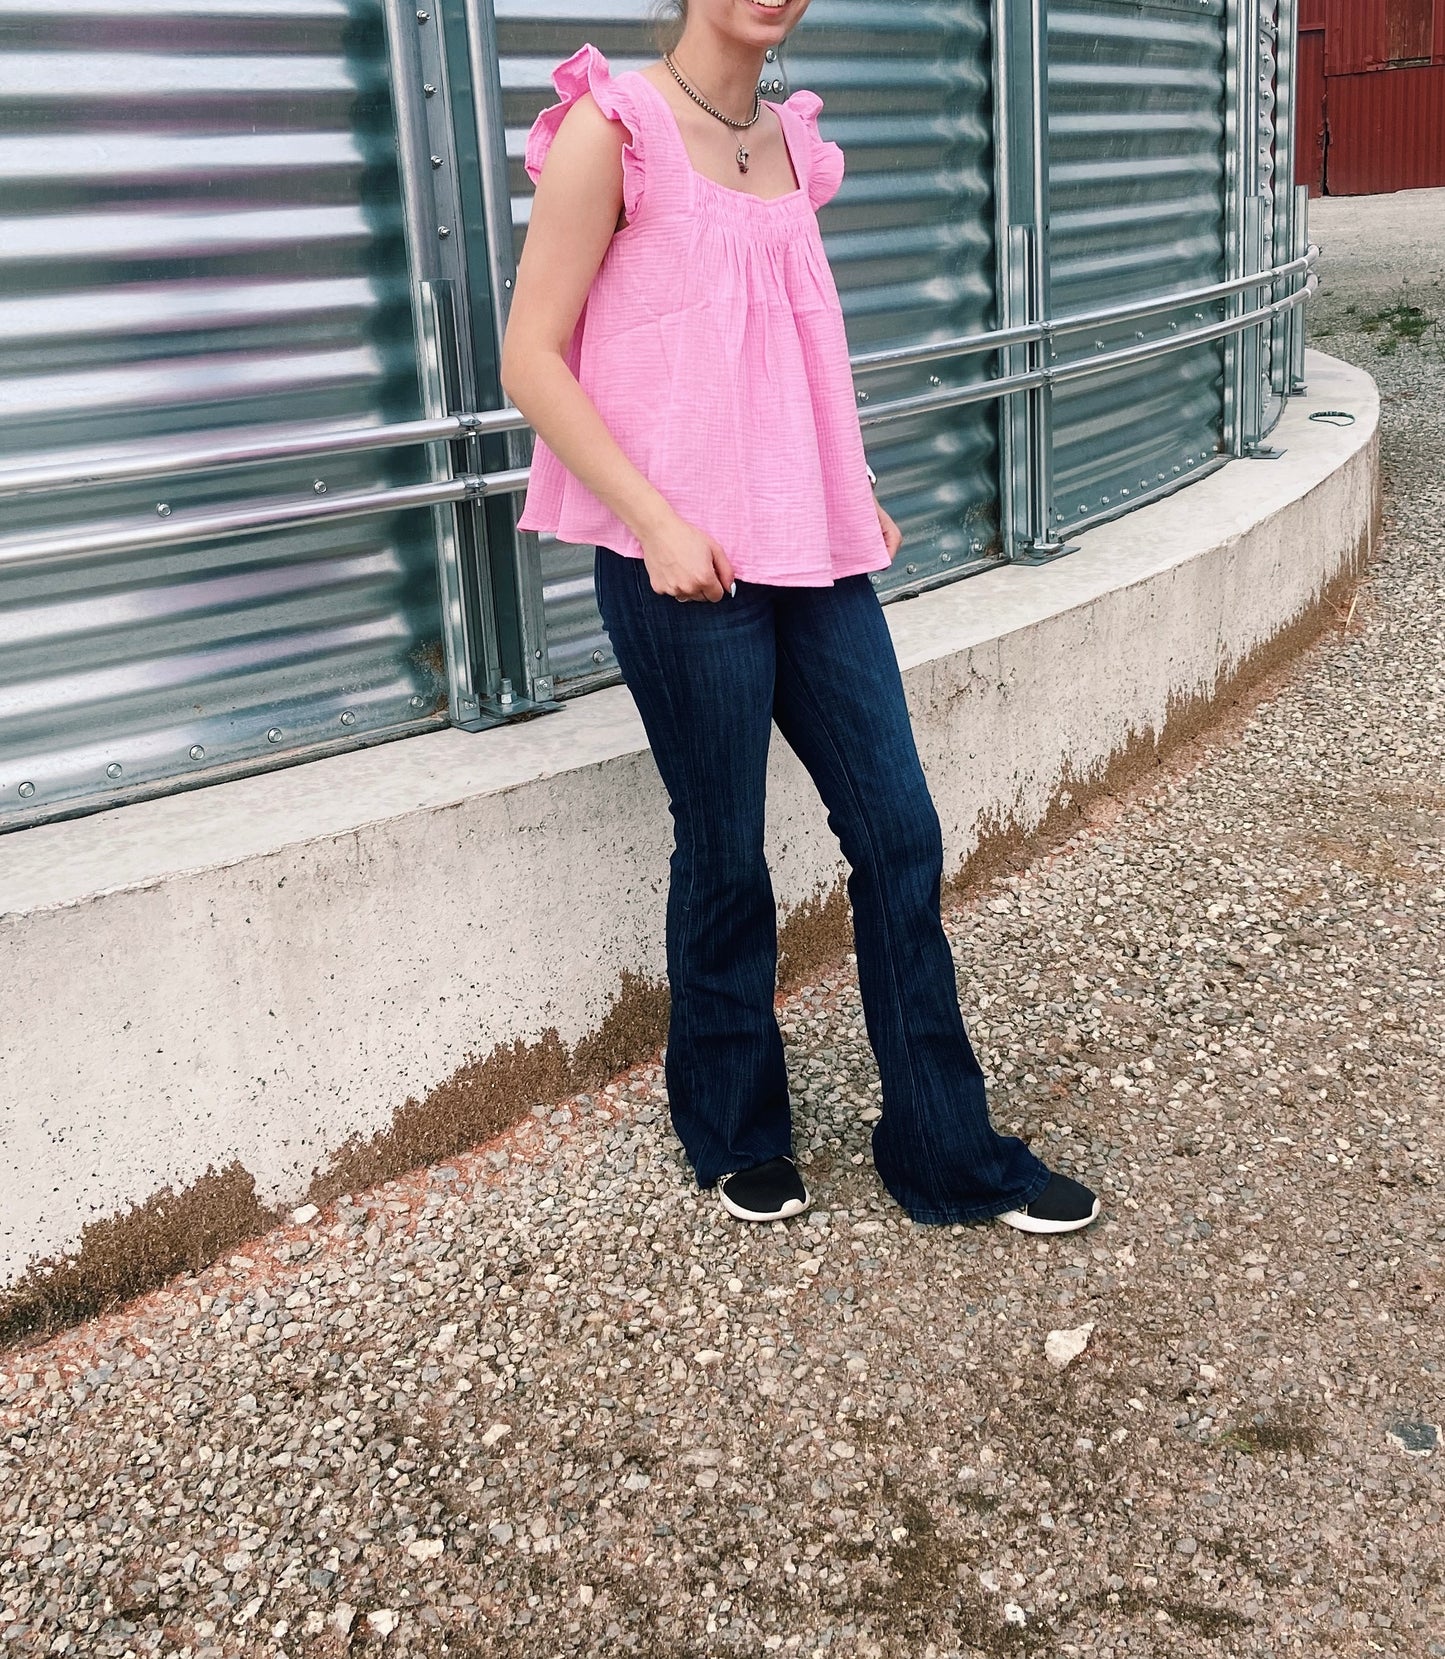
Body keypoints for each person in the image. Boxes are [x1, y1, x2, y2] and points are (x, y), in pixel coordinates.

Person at [500, 0, 1099, 1235]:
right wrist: (657, 522)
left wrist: (853, 486)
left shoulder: (788, 140)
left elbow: (790, 346)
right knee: (721, 848)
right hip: (681, 564)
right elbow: (530, 357)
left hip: (812, 552)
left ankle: (944, 1151)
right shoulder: (607, 128)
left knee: (898, 833)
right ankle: (731, 1131)